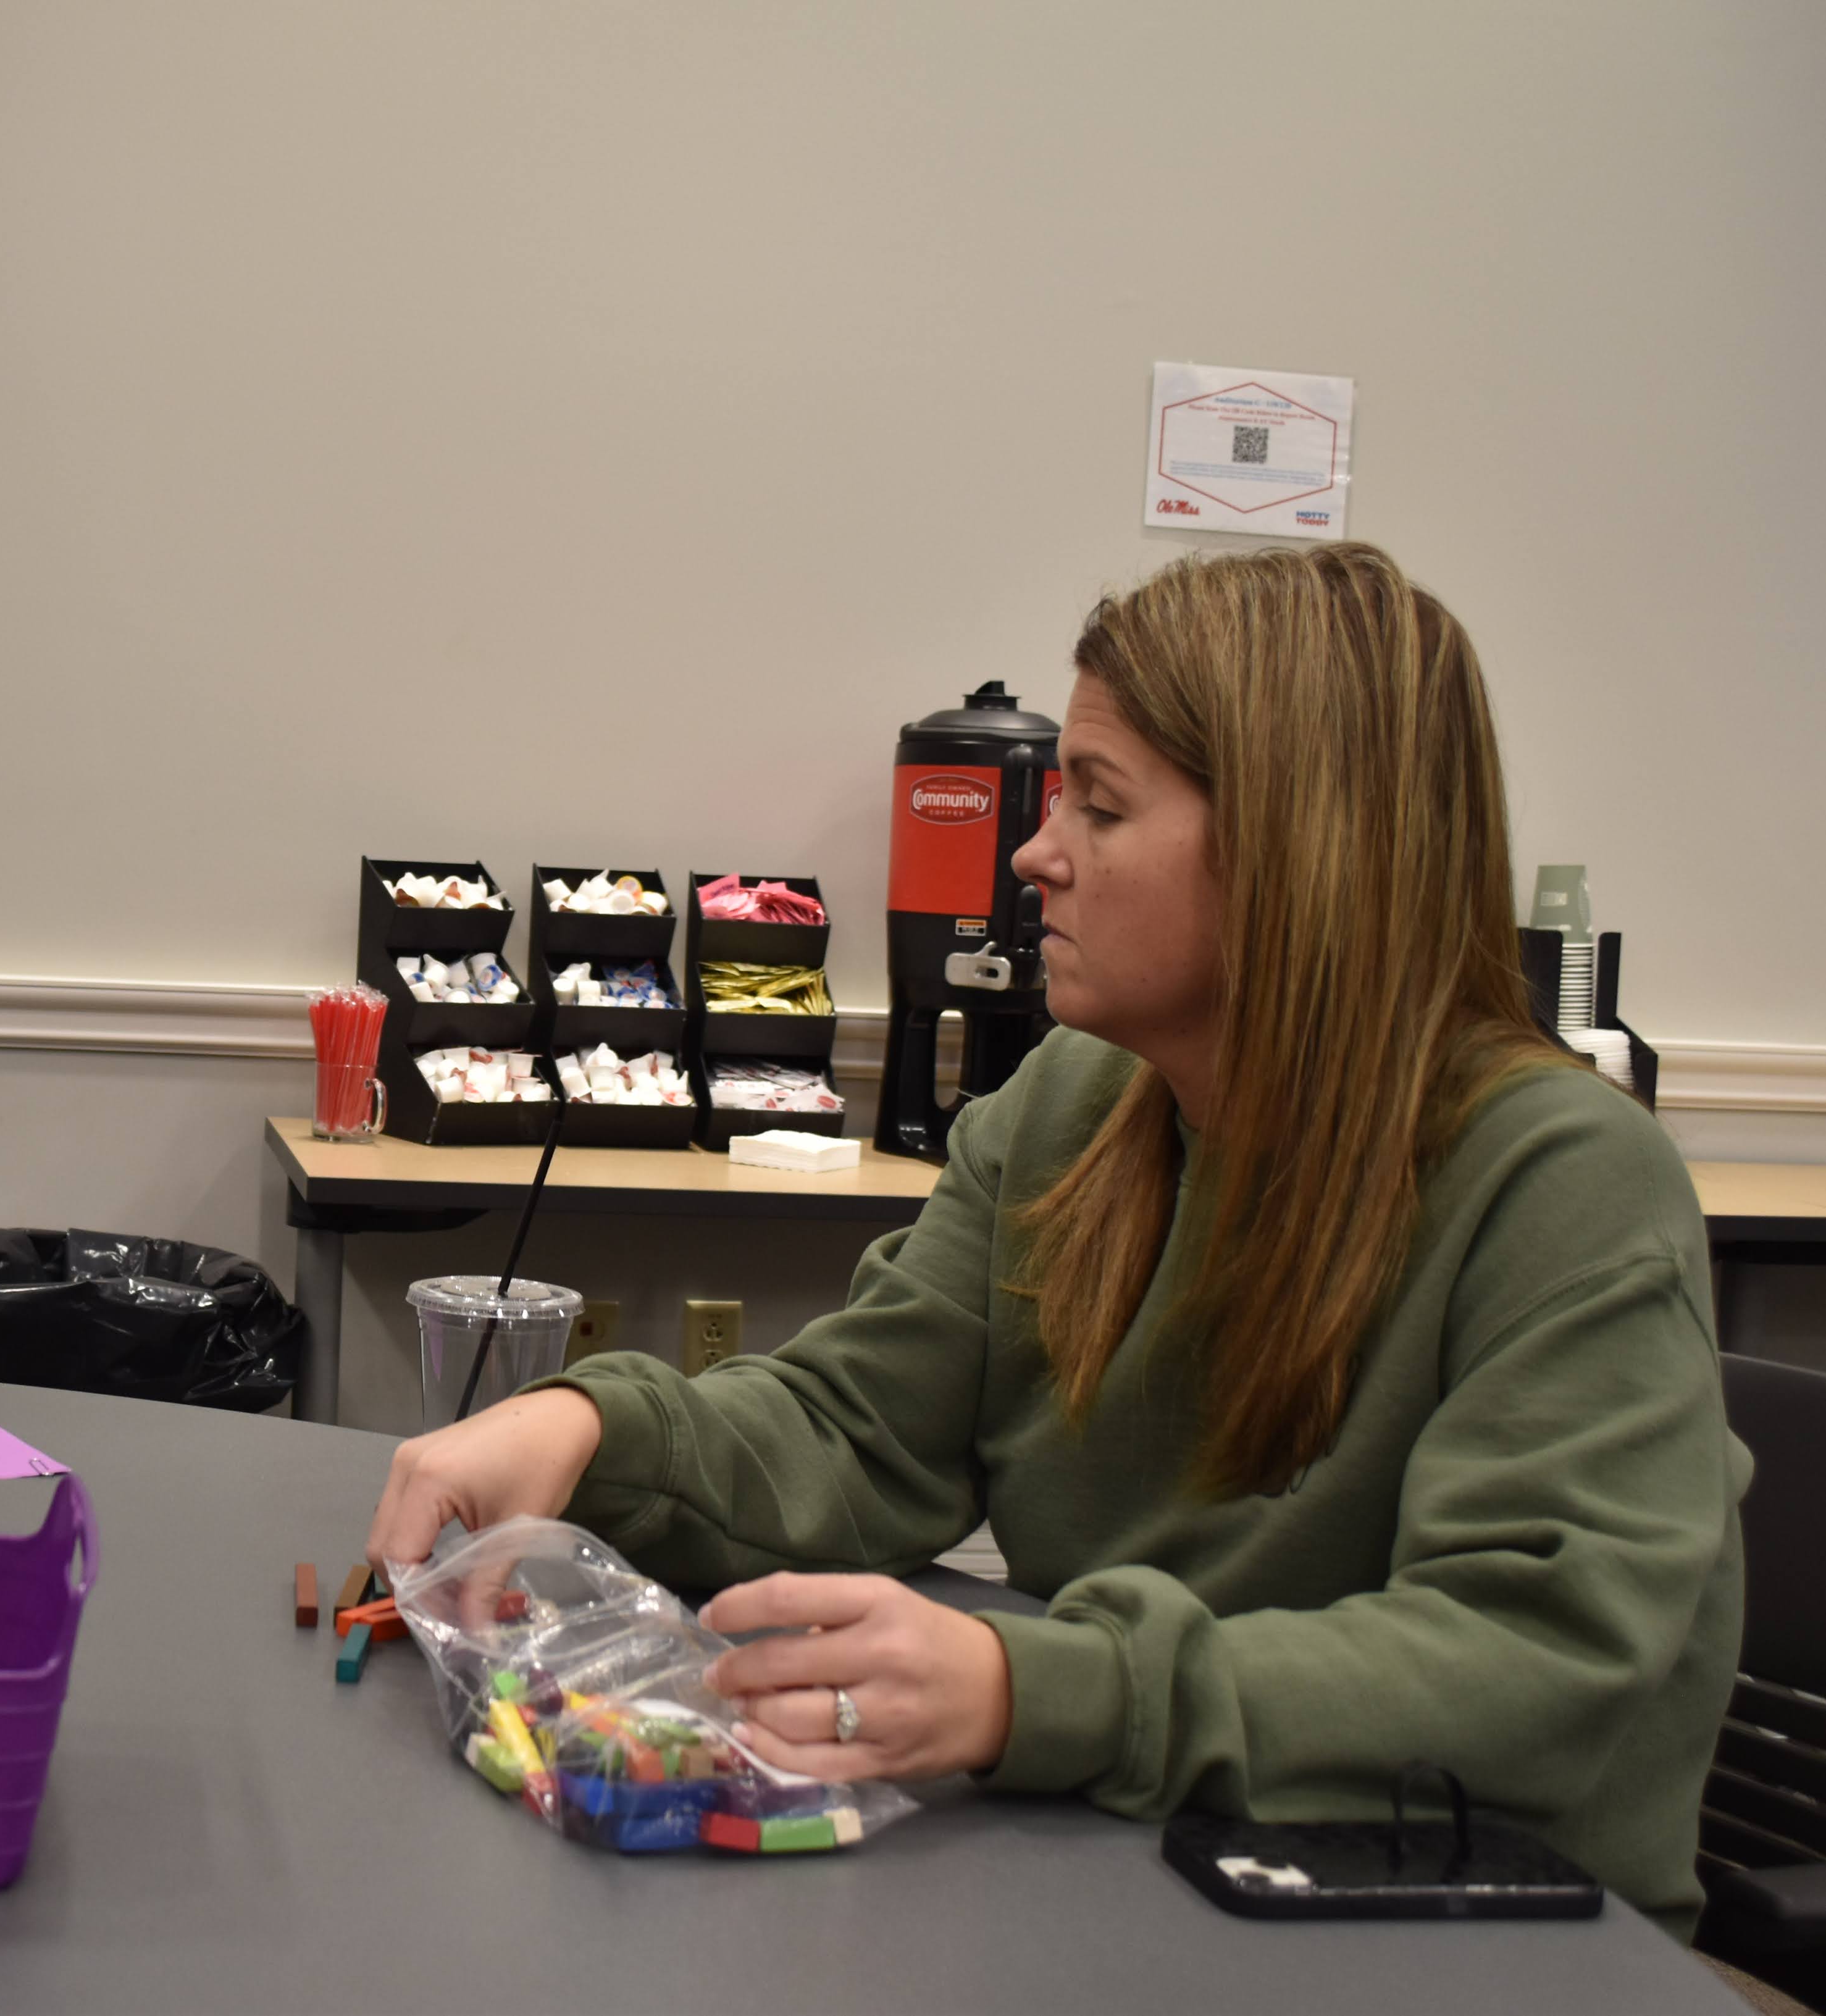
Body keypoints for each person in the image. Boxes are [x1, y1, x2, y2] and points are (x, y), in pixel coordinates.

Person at [368, 542, 1743, 1934]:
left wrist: (1039, 1689)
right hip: (1149, 1885)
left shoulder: (1562, 1181)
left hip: (1476, 1941)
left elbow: (1534, 1658)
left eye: (1097, 803)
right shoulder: (1074, 1106)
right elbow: (861, 1427)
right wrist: (598, 1432)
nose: (1034, 855)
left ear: (1296, 848)